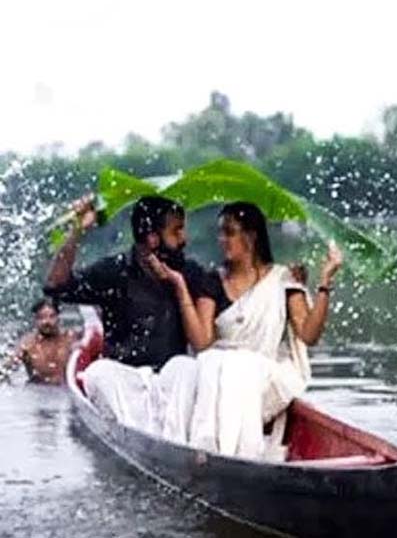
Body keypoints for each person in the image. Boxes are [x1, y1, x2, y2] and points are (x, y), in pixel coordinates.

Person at [166, 201, 342, 459]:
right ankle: (208, 452)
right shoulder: (213, 280)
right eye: (220, 233)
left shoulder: (282, 279)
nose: (222, 239)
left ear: (251, 236)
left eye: (229, 232)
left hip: (262, 376)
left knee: (238, 367)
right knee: (195, 366)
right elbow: (202, 343)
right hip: (218, 374)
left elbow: (309, 335)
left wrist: (325, 282)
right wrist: (181, 288)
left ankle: (235, 454)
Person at [43, 194, 214, 370]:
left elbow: (202, 345)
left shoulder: (190, 273)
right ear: (152, 239)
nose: (183, 239)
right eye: (176, 231)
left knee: (185, 367)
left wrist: (179, 286)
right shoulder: (113, 271)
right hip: (122, 378)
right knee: (99, 371)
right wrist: (77, 230)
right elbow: (55, 286)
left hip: (171, 380)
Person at [2, 298, 78, 384]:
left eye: (51, 316)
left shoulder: (70, 339)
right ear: (35, 320)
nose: (46, 321)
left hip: (67, 392)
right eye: (41, 317)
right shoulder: (28, 345)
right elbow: (5, 370)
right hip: (38, 393)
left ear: (58, 317)